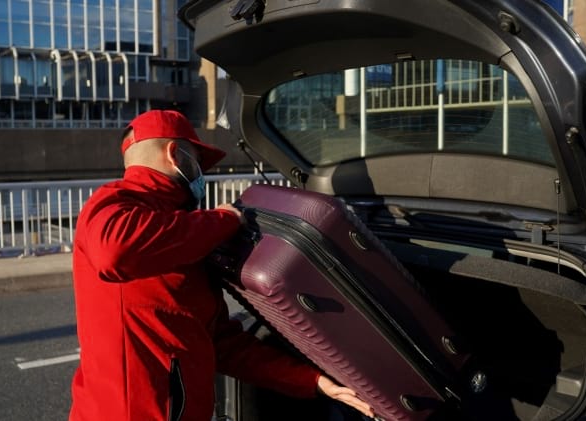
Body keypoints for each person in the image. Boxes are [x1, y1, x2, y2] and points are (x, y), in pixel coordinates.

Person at [68, 110, 373, 421]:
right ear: (177, 155)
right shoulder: (116, 202)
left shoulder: (178, 235)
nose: (201, 174)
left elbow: (221, 344)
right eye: (198, 161)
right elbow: (115, 252)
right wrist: (224, 219)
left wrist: (313, 382)